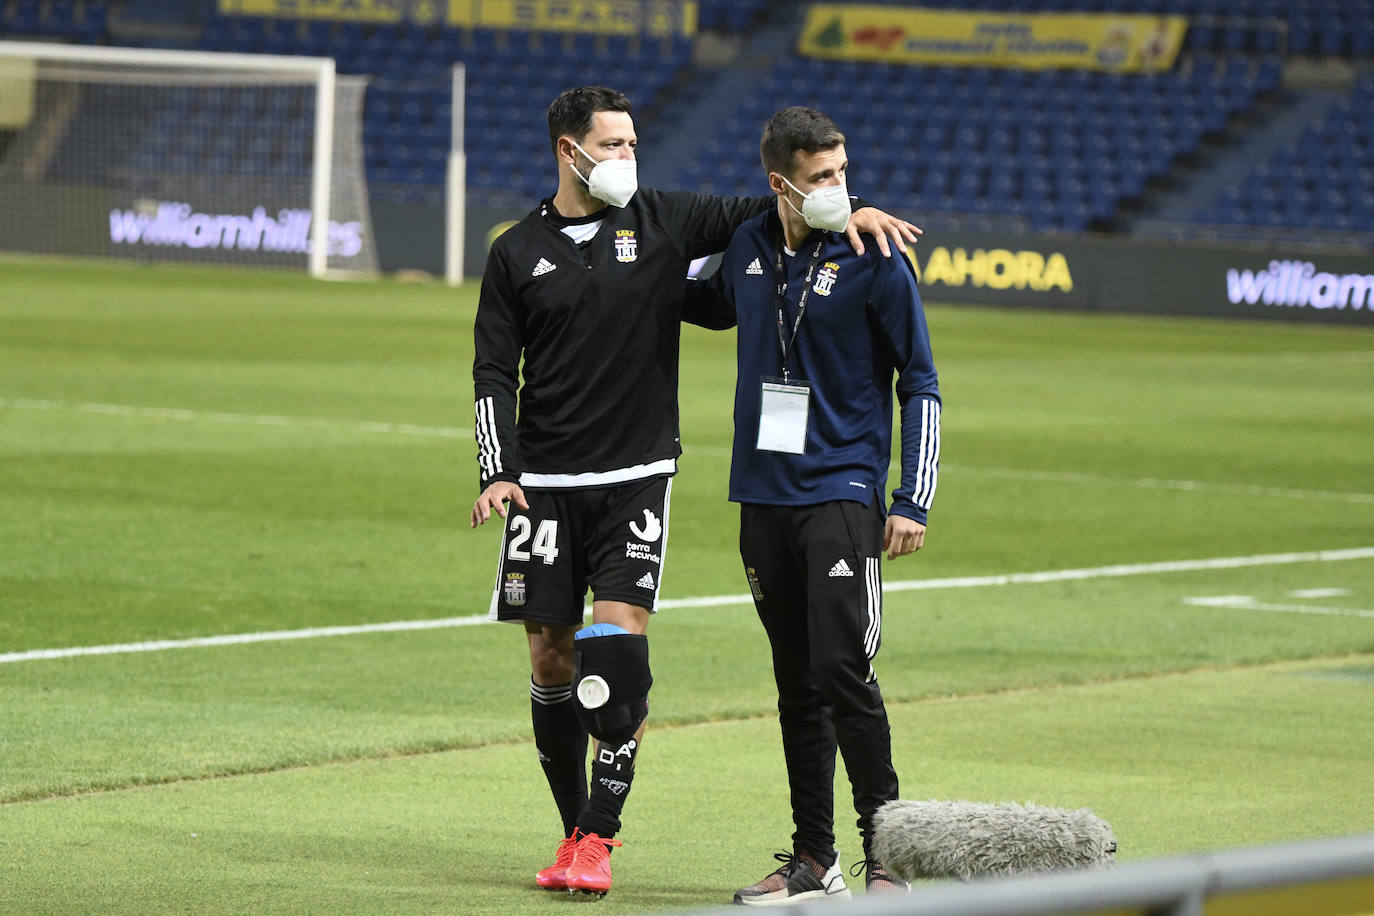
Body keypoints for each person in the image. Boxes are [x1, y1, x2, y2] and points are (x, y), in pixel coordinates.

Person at [469, 86, 921, 898]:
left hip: (706, 481)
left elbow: (790, 209)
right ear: (568, 151)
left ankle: (875, 853)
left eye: (633, 144)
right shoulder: (523, 252)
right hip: (605, 488)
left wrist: (858, 211)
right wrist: (497, 467)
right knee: (558, 657)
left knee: (657, 658)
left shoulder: (684, 223)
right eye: (612, 146)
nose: (626, 160)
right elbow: (503, 366)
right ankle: (601, 831)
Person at [682, 106, 941, 905]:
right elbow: (670, 280)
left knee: (841, 669)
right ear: (779, 184)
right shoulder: (749, 248)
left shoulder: (876, 257)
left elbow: (920, 381)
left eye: (843, 173)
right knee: (796, 680)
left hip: (843, 490)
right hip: (761, 496)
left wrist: (913, 499)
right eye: (821, 177)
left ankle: (887, 853)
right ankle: (813, 859)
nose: (840, 187)